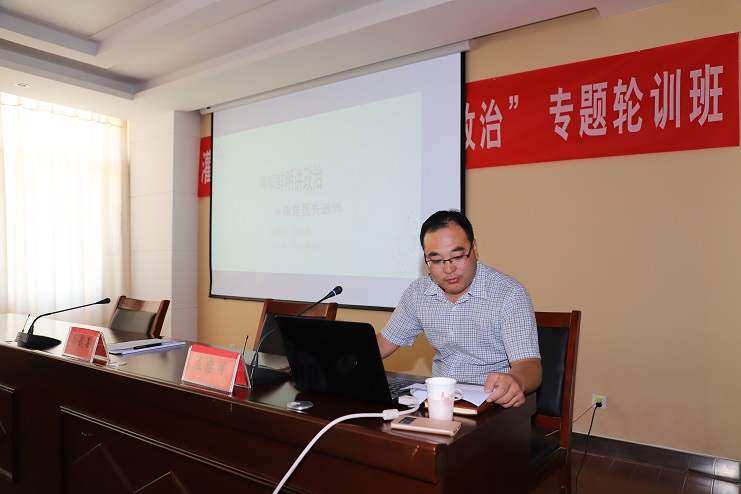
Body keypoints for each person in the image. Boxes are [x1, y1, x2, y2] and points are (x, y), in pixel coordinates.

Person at [377, 210, 541, 408]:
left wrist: (516, 380)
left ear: (475, 249)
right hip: (438, 401)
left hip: (492, 402)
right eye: (436, 261)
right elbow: (383, 344)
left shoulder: (509, 294)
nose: (449, 269)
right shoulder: (418, 292)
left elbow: (529, 365)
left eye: (457, 256)